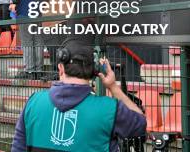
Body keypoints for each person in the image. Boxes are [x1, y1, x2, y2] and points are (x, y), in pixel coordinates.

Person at [11, 40, 146, 151]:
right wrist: (113, 87)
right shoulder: (111, 109)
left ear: (61, 68)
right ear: (95, 72)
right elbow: (140, 126)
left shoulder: (33, 102)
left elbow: (18, 147)